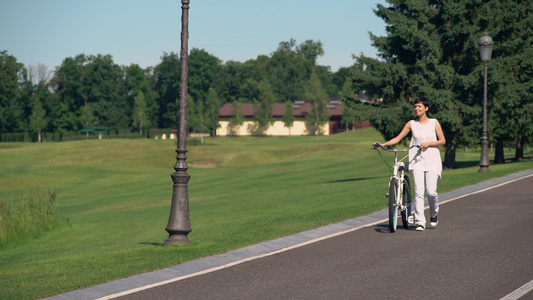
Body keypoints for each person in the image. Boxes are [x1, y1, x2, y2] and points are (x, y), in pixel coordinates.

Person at [372, 97, 445, 231]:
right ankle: (420, 222)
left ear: (426, 109)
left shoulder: (434, 123)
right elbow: (398, 138)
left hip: (432, 160)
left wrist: (429, 143)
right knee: (418, 191)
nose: (416, 109)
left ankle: (434, 213)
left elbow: (442, 140)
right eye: (415, 107)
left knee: (431, 191)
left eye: (419, 107)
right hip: (416, 161)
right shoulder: (411, 124)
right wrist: (382, 144)